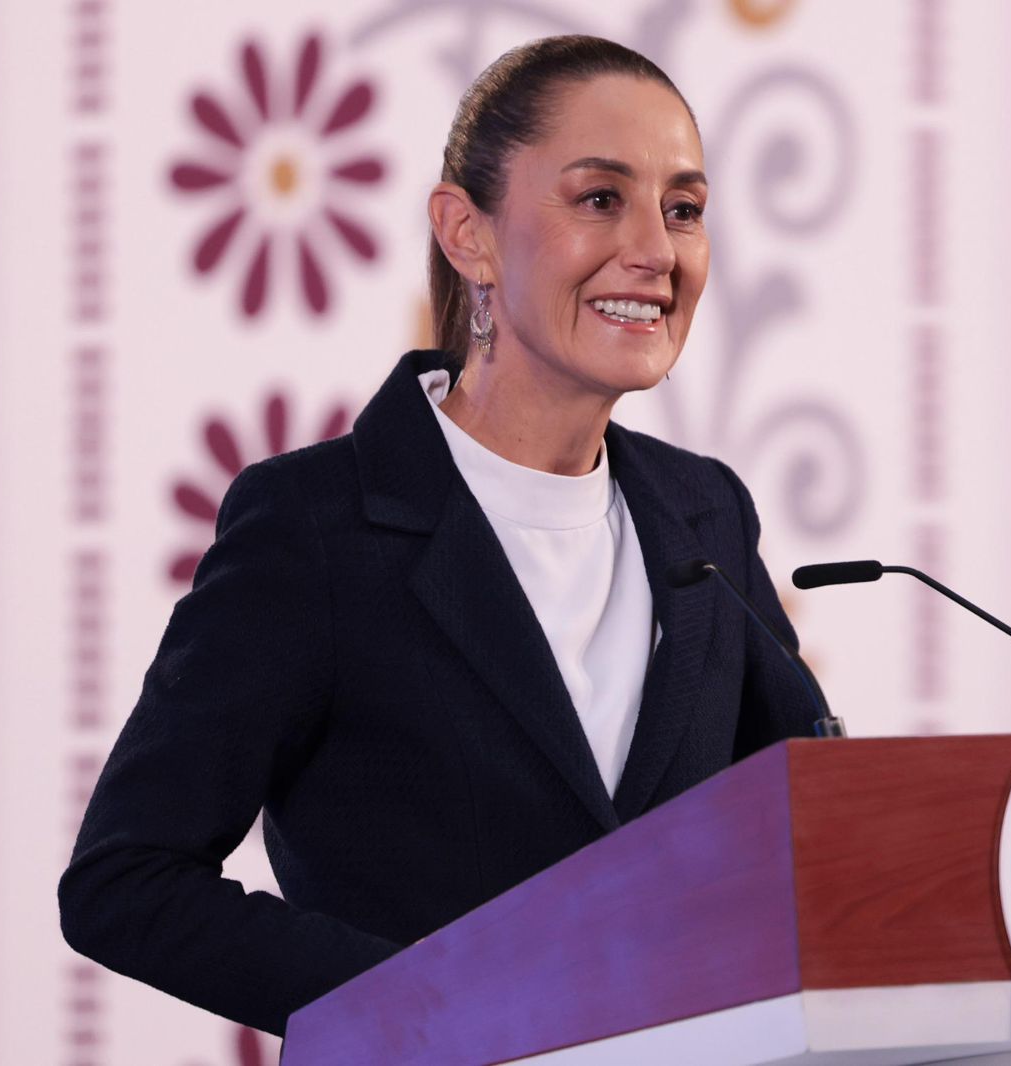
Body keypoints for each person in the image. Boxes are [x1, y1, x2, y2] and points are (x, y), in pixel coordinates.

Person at [58, 35, 813, 1039]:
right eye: (599, 200)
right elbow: (125, 879)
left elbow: (811, 834)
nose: (655, 250)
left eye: (683, 209)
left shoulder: (706, 511)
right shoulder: (314, 528)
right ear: (468, 233)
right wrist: (438, 1003)